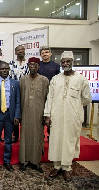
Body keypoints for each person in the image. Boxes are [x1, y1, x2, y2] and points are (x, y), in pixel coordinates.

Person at [44, 51, 91, 182]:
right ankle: (57, 166)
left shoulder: (81, 79)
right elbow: (50, 98)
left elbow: (86, 99)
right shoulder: (55, 79)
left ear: (72, 62)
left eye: (68, 61)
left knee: (69, 142)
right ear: (61, 63)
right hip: (56, 116)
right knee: (56, 140)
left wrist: (74, 107)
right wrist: (47, 115)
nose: (65, 63)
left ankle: (67, 168)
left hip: (72, 117)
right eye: (63, 61)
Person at [19, 57, 49, 173]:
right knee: (25, 136)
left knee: (38, 138)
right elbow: (20, 97)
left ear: (39, 66)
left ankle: (36, 162)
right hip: (25, 113)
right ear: (28, 66)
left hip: (39, 114)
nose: (32, 67)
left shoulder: (44, 80)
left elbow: (47, 99)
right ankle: (24, 161)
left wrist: (46, 115)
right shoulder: (23, 80)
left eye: (35, 65)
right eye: (30, 64)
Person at [0, 61, 20, 172]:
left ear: (9, 70)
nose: (4, 71)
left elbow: (17, 101)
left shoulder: (15, 83)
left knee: (8, 140)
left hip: (9, 114)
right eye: (2, 69)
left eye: (6, 69)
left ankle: (7, 161)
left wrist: (17, 115)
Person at [9, 45, 29, 143]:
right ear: (15, 52)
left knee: (26, 113)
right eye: (18, 50)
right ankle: (15, 135)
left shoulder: (29, 64)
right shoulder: (11, 64)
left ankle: (25, 135)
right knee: (15, 112)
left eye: (22, 50)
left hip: (27, 91)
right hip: (14, 90)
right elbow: (9, 77)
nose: (20, 51)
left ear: (24, 51)